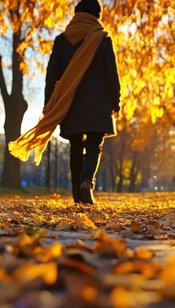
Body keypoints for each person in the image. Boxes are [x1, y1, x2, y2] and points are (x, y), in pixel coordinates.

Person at [8, 0, 120, 205]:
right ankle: (87, 180)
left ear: (76, 14)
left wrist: (49, 102)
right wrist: (116, 101)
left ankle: (78, 196)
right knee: (94, 144)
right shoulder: (102, 39)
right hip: (98, 103)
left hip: (70, 102)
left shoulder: (61, 41)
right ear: (97, 16)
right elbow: (112, 75)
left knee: (76, 146)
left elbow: (52, 75)